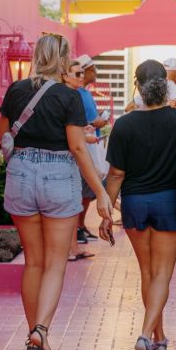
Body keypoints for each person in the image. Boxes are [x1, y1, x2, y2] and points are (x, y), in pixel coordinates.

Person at [0, 34, 113, 350]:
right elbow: (78, 147)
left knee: (33, 261)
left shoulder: (17, 90)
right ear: (63, 60)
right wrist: (101, 191)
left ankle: (34, 332)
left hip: (20, 172)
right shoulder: (69, 95)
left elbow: (1, 133)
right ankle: (41, 331)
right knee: (55, 263)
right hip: (59, 176)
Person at [99, 60, 176, 350]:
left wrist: (106, 211)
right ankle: (146, 335)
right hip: (169, 203)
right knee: (161, 274)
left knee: (147, 272)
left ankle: (159, 337)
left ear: (138, 87)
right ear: (165, 86)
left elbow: (116, 175)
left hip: (134, 204)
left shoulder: (124, 123)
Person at [62, 60, 99, 261]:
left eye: (81, 73)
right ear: (65, 75)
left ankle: (73, 247)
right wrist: (85, 137)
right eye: (76, 74)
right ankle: (70, 248)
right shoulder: (67, 97)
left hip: (73, 156)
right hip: (69, 158)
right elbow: (66, 134)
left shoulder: (74, 95)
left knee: (75, 201)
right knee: (71, 202)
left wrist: (83, 131)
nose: (81, 77)